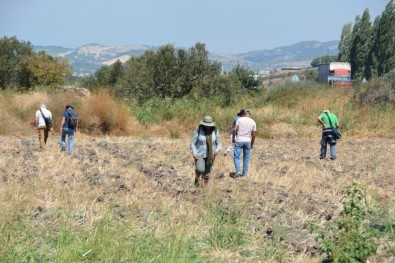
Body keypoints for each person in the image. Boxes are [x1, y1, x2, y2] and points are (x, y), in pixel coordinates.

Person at [190, 116, 222, 187]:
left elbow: (219, 143)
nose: (208, 126)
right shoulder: (198, 130)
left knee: (207, 173)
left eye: (209, 125)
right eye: (206, 125)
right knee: (200, 169)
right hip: (199, 154)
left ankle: (204, 188)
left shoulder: (215, 131)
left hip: (211, 155)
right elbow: (192, 143)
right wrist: (194, 153)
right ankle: (197, 178)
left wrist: (217, 150)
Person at [231, 110, 256, 177]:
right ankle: (244, 174)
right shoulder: (253, 122)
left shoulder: (239, 119)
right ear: (250, 115)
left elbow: (234, 129)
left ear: (244, 114)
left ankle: (238, 171)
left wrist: (234, 138)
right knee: (246, 158)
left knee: (236, 156)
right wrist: (252, 143)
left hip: (239, 140)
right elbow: (253, 135)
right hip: (248, 141)